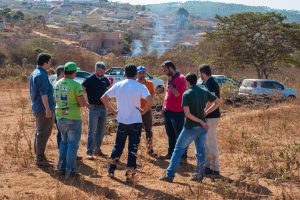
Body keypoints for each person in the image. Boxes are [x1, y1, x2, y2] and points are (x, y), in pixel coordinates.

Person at [160, 73, 222, 183]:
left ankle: (169, 175)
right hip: (202, 128)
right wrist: (205, 114)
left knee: (178, 150)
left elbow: (187, 114)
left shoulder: (187, 94)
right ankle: (198, 176)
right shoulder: (204, 91)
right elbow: (218, 102)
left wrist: (200, 120)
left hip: (190, 127)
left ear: (187, 82)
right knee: (200, 152)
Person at [101, 64, 154, 183]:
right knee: (132, 150)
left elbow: (104, 98)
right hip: (135, 122)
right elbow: (151, 101)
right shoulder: (140, 86)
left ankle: (110, 170)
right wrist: (143, 111)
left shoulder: (118, 85)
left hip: (122, 121)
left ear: (124, 73)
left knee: (118, 147)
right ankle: (129, 175)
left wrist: (113, 111)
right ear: (136, 74)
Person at [54, 62, 89, 177]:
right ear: (74, 72)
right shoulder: (76, 85)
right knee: (73, 145)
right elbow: (81, 103)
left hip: (60, 117)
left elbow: (56, 99)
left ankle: (61, 167)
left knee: (64, 142)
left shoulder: (57, 83)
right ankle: (70, 170)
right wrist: (84, 103)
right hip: (73, 118)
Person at [30, 53, 55, 167]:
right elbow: (43, 93)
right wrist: (48, 110)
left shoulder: (36, 72)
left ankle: (39, 155)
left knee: (39, 132)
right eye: (50, 61)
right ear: (45, 62)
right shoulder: (41, 75)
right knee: (43, 133)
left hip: (38, 107)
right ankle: (39, 157)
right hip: (43, 108)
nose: (50, 63)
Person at [159, 61, 187, 161]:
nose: (165, 72)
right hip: (168, 110)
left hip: (177, 111)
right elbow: (167, 95)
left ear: (171, 68)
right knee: (170, 133)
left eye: (165, 70)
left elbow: (176, 94)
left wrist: (170, 83)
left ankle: (183, 155)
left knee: (179, 134)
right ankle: (170, 153)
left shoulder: (181, 78)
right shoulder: (169, 79)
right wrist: (163, 107)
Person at [82, 62, 111, 160]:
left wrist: (108, 99)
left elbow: (108, 91)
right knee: (92, 130)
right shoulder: (89, 79)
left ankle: (97, 149)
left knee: (101, 130)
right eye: (99, 71)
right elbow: (80, 91)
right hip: (93, 108)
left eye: (102, 72)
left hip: (103, 108)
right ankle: (89, 152)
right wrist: (86, 103)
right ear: (95, 69)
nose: (101, 73)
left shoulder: (105, 80)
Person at [199, 64, 221, 176]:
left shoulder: (212, 84)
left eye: (200, 73)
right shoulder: (205, 83)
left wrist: (205, 111)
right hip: (206, 117)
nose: (200, 76)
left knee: (211, 143)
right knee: (206, 143)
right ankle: (208, 166)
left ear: (203, 73)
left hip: (211, 117)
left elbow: (213, 101)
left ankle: (215, 169)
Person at [136, 66, 156, 156]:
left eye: (143, 72)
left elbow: (151, 98)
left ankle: (150, 148)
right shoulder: (133, 83)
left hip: (147, 110)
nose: (141, 74)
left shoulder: (150, 84)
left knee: (148, 130)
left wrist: (145, 109)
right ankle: (135, 149)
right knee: (136, 131)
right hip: (135, 110)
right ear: (137, 73)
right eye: (140, 72)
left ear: (145, 73)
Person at [53, 65, 64, 149]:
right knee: (61, 132)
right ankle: (62, 151)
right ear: (63, 73)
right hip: (58, 112)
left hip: (63, 112)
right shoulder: (56, 84)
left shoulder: (58, 83)